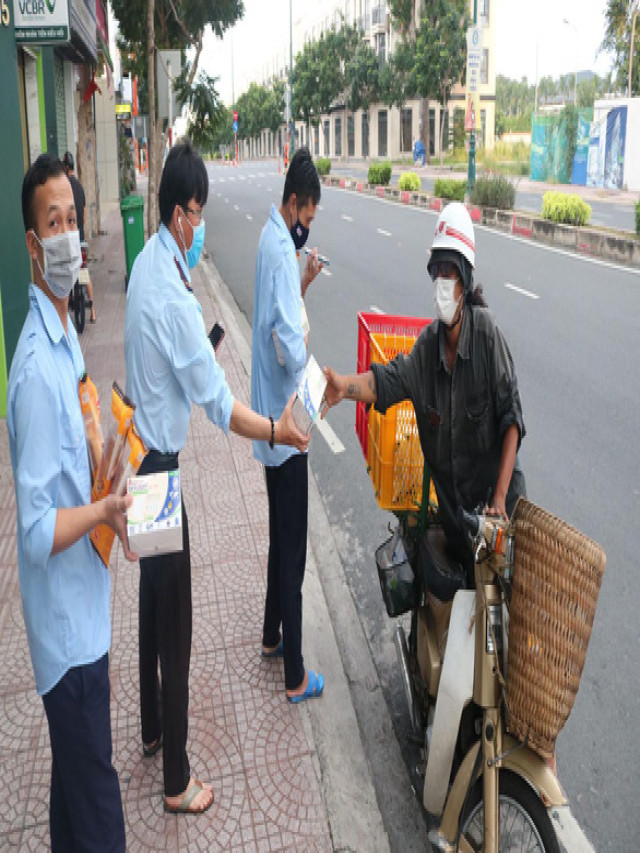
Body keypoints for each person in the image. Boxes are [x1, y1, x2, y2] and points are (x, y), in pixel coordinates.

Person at [124, 140, 310, 816]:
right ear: (179, 214)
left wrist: (197, 354)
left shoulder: (149, 263)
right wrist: (277, 430)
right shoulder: (173, 296)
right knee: (177, 623)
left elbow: (172, 361)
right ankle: (177, 779)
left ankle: (149, 727)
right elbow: (220, 406)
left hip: (141, 455)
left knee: (151, 601)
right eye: (197, 213)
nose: (201, 227)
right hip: (159, 470)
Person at [7, 153, 136, 852]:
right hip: (68, 636)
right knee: (98, 810)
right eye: (51, 223)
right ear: (32, 244)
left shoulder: (64, 341)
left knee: (74, 797)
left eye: (72, 221)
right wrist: (105, 513)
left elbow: (77, 460)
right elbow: (33, 531)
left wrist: (111, 467)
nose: (65, 236)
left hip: (84, 610)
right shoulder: (32, 370)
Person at [322, 201, 526, 568]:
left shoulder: (487, 336)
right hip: (456, 524)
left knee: (510, 614)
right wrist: (342, 387)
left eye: (452, 273)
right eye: (439, 273)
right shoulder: (427, 349)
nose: (444, 284)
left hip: (499, 517)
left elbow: (511, 418)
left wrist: (498, 500)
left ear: (465, 279)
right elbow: (386, 382)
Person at [251, 146, 326, 703]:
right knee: (293, 545)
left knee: (281, 530)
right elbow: (285, 345)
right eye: (308, 217)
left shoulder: (270, 240)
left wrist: (304, 286)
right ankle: (296, 674)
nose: (307, 227)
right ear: (295, 203)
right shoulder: (280, 252)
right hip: (287, 421)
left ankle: (273, 634)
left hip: (273, 421)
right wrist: (311, 367)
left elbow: (278, 315)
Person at [62, 150, 96, 322]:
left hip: (69, 240)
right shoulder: (80, 187)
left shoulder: (64, 187)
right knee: (83, 271)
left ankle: (64, 317)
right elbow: (83, 215)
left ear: (66, 167)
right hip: (80, 237)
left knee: (67, 274)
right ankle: (94, 311)